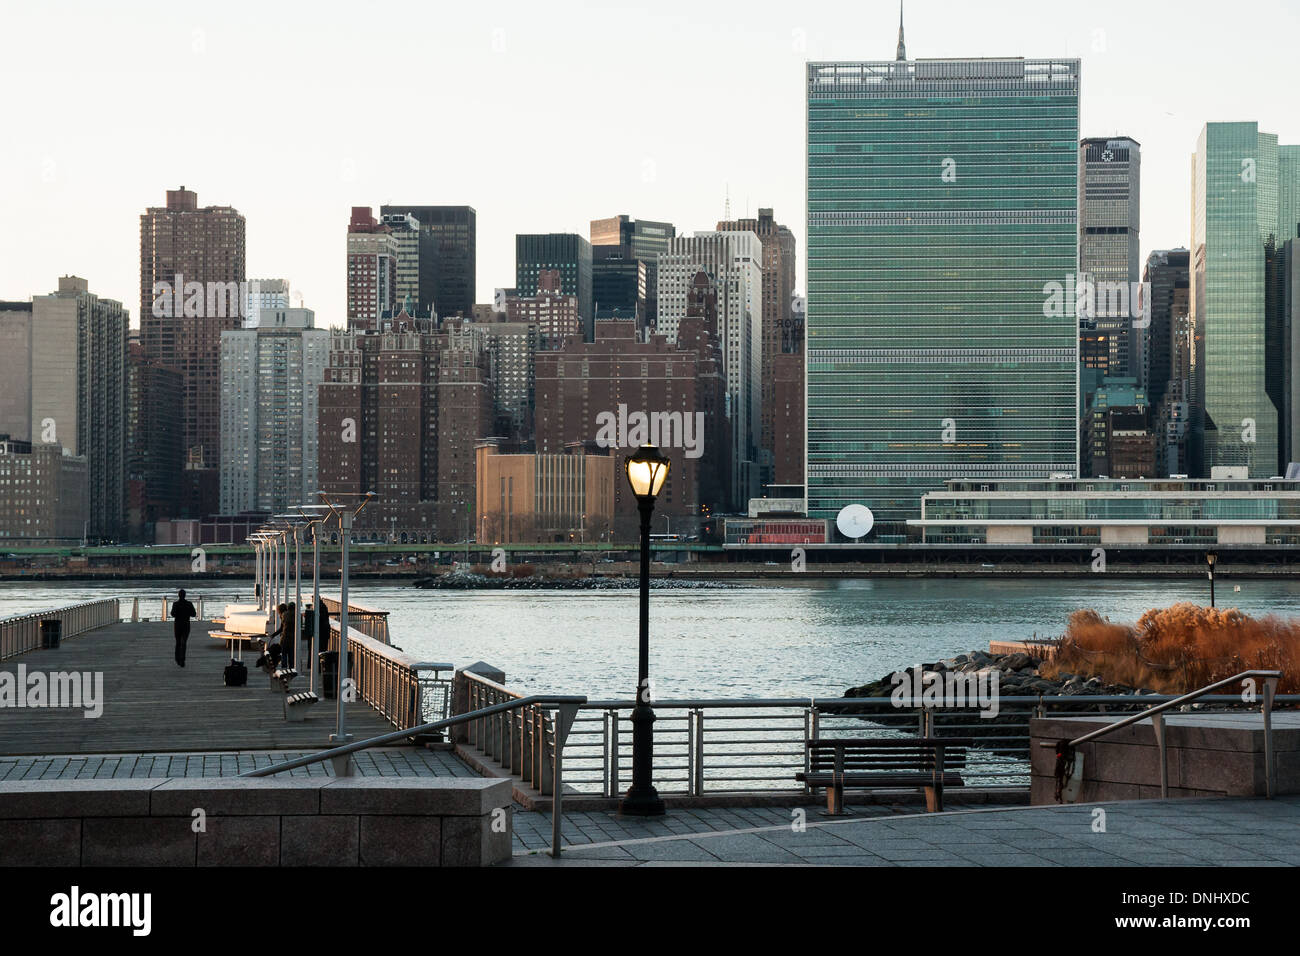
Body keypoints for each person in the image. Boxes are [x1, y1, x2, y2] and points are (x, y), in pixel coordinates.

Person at [171, 589, 197, 667]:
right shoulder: (189, 604)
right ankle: (182, 659)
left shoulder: (175, 604)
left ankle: (177, 658)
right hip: (186, 624)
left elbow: (173, 614)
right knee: (184, 642)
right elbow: (194, 614)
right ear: (185, 595)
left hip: (178, 625)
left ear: (178, 595)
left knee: (178, 642)